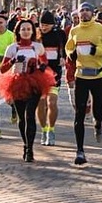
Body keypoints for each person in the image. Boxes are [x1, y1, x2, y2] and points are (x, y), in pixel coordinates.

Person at [0, 17, 57, 162]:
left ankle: (30, 149)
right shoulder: (12, 48)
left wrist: (41, 66)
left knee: (30, 115)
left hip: (34, 83)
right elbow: (3, 69)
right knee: (22, 117)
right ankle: (25, 144)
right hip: (17, 83)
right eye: (23, 29)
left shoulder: (37, 46)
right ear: (18, 31)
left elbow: (45, 61)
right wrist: (13, 61)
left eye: (29, 29)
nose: (26, 31)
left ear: (32, 31)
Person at [65, 1, 102, 166]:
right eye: (82, 11)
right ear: (78, 14)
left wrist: (96, 51)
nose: (85, 13)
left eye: (88, 10)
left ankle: (98, 124)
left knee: (98, 110)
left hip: (99, 76)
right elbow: (68, 48)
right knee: (79, 114)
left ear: (93, 13)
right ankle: (80, 151)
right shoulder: (74, 30)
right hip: (81, 76)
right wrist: (71, 54)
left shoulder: (101, 29)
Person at [37, 10, 66, 145]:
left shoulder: (59, 34)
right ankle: (44, 129)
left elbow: (65, 49)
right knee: (41, 104)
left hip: (54, 73)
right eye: (42, 24)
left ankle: (51, 130)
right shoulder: (36, 35)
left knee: (52, 103)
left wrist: (63, 57)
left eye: (47, 25)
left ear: (52, 24)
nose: (44, 27)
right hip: (38, 74)